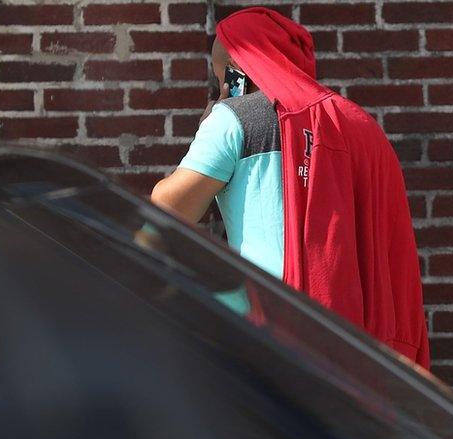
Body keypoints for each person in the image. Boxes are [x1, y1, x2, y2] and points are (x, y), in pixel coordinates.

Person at [151, 8, 429, 369]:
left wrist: (215, 117)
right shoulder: (360, 124)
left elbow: (169, 207)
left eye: (219, 71)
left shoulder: (234, 118)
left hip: (274, 330)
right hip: (365, 341)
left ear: (238, 68)